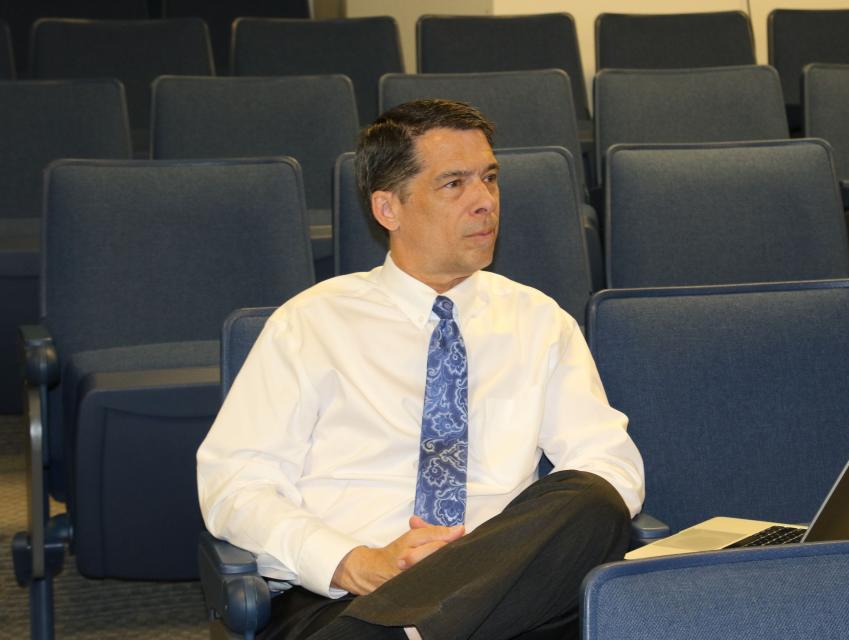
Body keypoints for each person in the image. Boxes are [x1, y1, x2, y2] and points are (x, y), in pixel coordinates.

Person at [197, 99, 645, 640]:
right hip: (350, 597)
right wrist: (352, 561)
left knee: (592, 496)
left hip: (508, 593)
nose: (484, 201)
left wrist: (478, 563)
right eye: (453, 184)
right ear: (389, 209)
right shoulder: (310, 324)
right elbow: (236, 485)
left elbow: (611, 465)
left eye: (490, 177)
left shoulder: (539, 321)